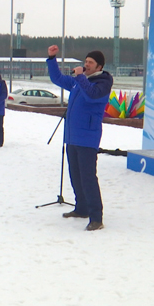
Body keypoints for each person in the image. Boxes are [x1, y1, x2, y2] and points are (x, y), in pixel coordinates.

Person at [46, 45, 113, 231]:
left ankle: (96, 217)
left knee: (88, 177)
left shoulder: (103, 83)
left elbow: (91, 96)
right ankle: (82, 208)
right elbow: (57, 78)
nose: (87, 65)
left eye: (91, 63)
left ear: (99, 67)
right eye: (86, 62)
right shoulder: (79, 81)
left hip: (88, 137)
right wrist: (52, 59)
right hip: (73, 136)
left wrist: (81, 77)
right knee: (75, 175)